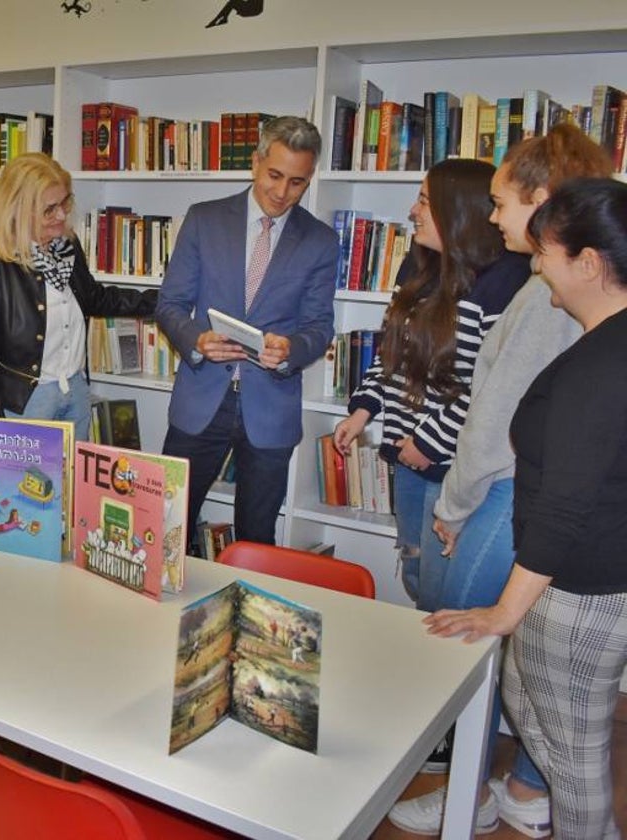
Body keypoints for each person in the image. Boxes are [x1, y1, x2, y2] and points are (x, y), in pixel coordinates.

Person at [388, 125, 613, 838]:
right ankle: (497, 789)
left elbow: (498, 424)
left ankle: (479, 793)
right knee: (513, 682)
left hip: (523, 518)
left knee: (469, 658)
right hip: (532, 518)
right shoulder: (548, 298)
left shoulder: (560, 315)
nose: (492, 218)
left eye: (501, 201)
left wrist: (454, 507)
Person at [333, 158, 530, 611]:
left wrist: (428, 441)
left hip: (457, 469)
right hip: (408, 458)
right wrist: (363, 410)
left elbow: (494, 390)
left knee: (447, 599)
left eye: (424, 200)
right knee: (419, 577)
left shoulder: (506, 283)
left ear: (458, 211)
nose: (412, 210)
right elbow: (394, 354)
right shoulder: (417, 267)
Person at [157, 115, 337, 547]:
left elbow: (319, 326)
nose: (281, 192)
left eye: (297, 182)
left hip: (270, 408)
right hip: (201, 399)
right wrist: (196, 340)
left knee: (257, 539)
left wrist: (291, 349)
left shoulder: (320, 241)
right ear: (256, 163)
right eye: (274, 175)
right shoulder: (204, 219)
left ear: (309, 179)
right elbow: (170, 305)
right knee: (166, 524)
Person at [0, 152, 155, 443]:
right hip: (26, 403)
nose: (62, 215)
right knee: (25, 487)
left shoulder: (67, 247)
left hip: (74, 391)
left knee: (73, 486)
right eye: (49, 209)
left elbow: (94, 298)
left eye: (64, 203)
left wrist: (162, 301)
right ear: (17, 208)